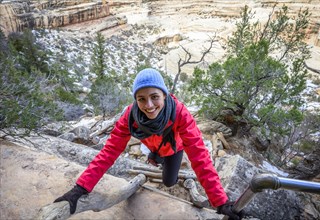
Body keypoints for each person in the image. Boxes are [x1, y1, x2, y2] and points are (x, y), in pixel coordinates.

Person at [54, 68, 244, 220]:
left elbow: (200, 158)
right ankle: (155, 157)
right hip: (153, 146)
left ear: (164, 94)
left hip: (173, 148)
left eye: (154, 96)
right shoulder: (130, 116)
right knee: (154, 157)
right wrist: (80, 188)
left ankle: (162, 162)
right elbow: (108, 152)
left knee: (169, 181)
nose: (149, 105)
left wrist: (220, 201)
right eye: (141, 99)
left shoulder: (180, 114)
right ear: (135, 100)